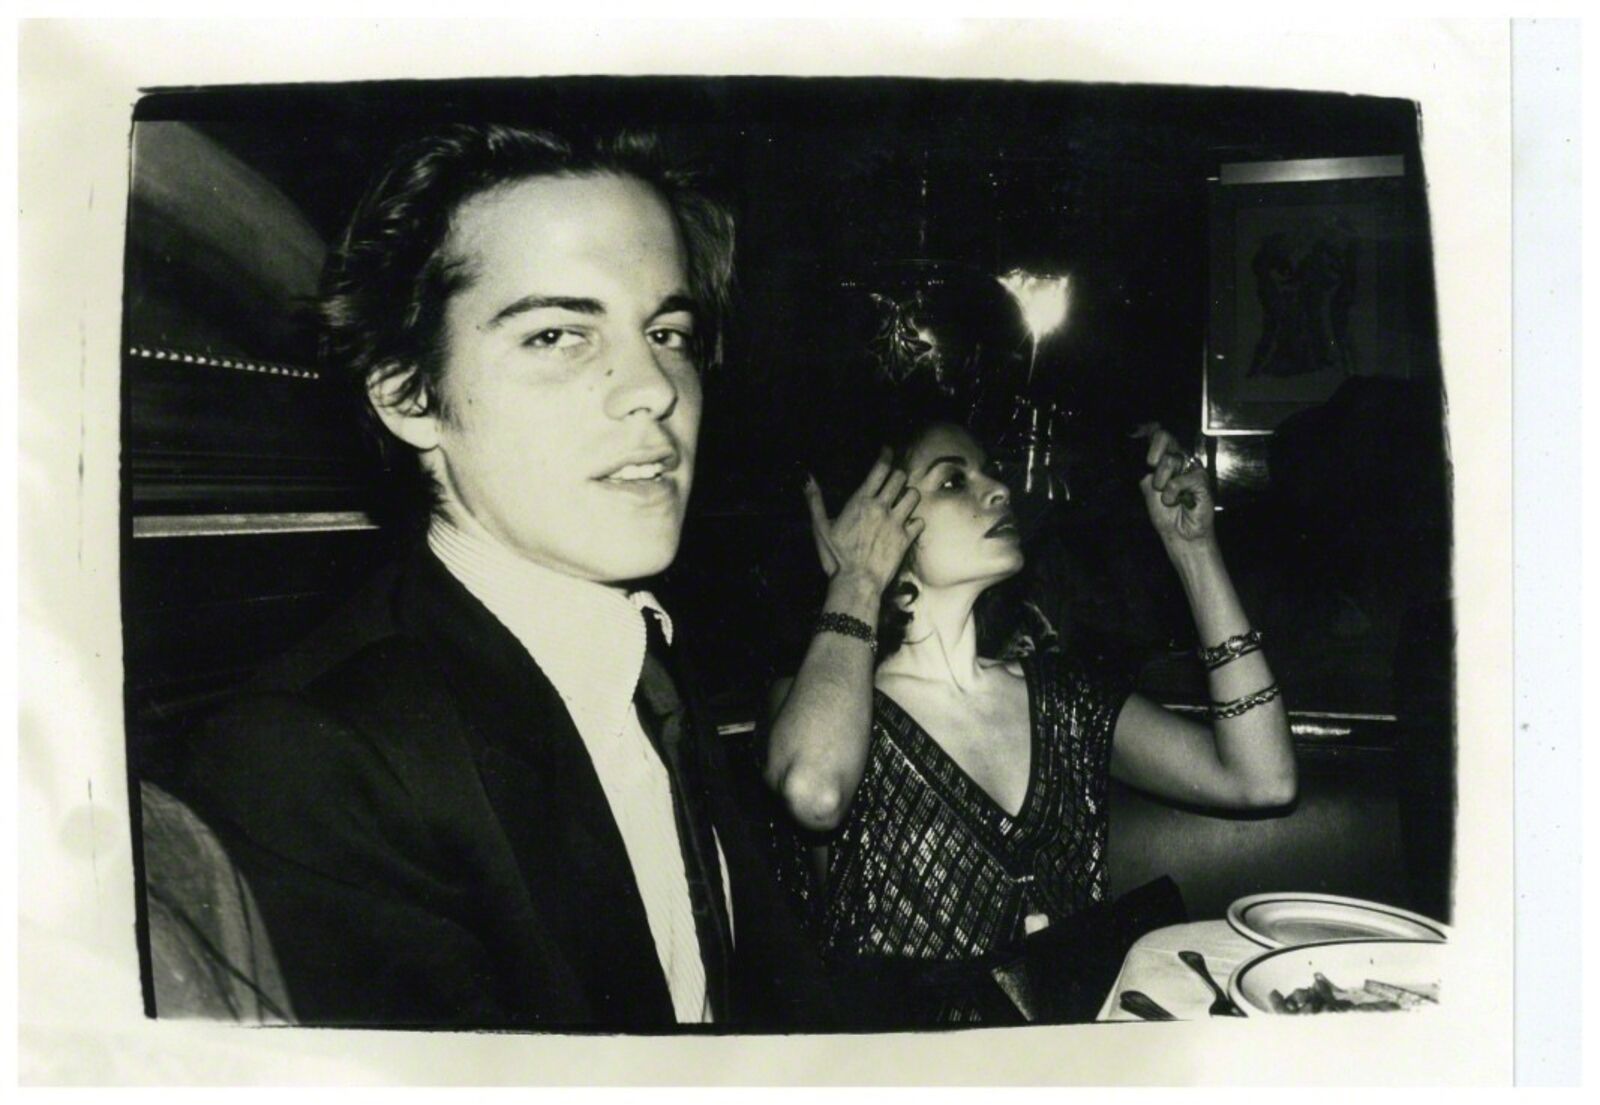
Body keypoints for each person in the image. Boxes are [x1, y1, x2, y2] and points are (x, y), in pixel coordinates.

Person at [175, 124, 831, 1030]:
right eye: (559, 333)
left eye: (667, 330)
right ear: (410, 395)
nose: (653, 387)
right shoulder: (317, 762)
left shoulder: (634, 654)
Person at [765, 417, 1297, 1024]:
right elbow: (814, 791)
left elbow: (1263, 779)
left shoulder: (1060, 697)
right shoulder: (817, 706)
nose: (996, 489)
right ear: (866, 522)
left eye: (989, 472)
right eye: (950, 482)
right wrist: (856, 581)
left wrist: (1193, 551)